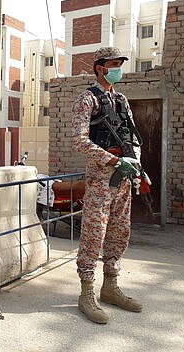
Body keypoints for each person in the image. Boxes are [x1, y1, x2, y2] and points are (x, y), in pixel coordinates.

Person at [72, 46, 143, 324]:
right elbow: (79, 141)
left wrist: (136, 163)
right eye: (114, 64)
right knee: (94, 234)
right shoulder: (87, 99)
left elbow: (132, 135)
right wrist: (112, 162)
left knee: (118, 232)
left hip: (125, 176)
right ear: (100, 67)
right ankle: (86, 292)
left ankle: (110, 287)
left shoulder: (122, 100)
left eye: (120, 64)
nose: (118, 69)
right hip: (102, 177)